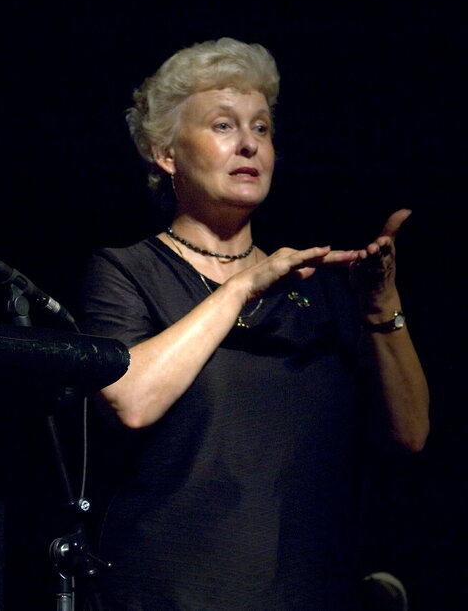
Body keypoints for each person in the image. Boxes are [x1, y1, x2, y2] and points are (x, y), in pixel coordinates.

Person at [78, 38, 429, 610]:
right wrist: (245, 284)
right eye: (223, 125)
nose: (248, 144)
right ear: (166, 153)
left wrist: (379, 306)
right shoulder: (127, 271)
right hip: (169, 596)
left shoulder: (320, 283)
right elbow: (132, 399)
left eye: (261, 128)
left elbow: (411, 433)